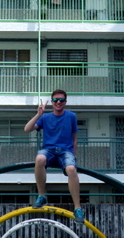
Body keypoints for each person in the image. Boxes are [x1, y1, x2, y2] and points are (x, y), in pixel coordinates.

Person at [24, 89, 84, 224]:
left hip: (65, 151)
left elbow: (74, 139)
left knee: (72, 169)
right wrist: (38, 114)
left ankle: (78, 207)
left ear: (65, 102)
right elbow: (27, 129)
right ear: (52, 102)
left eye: (61, 100)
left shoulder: (71, 116)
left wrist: (73, 156)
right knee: (39, 159)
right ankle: (41, 195)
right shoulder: (45, 117)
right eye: (56, 100)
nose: (58, 102)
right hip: (49, 150)